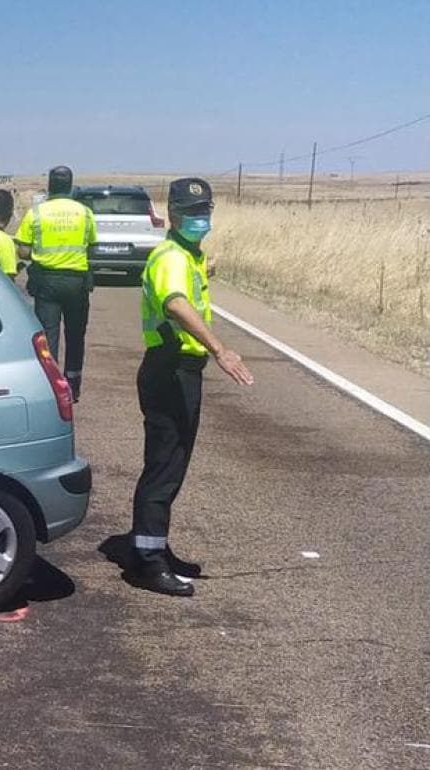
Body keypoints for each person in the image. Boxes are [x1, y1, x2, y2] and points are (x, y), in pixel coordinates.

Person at [128, 177, 255, 597]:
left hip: (180, 369)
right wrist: (222, 349)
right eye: (192, 213)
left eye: (206, 212)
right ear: (174, 214)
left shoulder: (185, 253)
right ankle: (147, 564)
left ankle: (155, 548)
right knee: (164, 467)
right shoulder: (170, 257)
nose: (201, 219)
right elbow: (176, 304)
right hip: (170, 370)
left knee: (172, 464)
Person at [14, 166, 96, 401]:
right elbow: (91, 245)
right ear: (70, 185)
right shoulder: (84, 213)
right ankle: (73, 385)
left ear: (50, 185)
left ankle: (51, 386)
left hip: (47, 281)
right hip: (76, 282)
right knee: (75, 334)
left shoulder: (36, 213)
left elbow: (23, 250)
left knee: (48, 336)